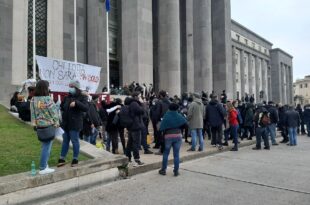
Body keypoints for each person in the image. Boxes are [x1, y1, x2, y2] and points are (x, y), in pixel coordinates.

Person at [30, 80, 60, 175]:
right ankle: (43, 167)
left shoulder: (33, 99)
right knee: (46, 147)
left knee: (44, 146)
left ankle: (45, 165)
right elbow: (54, 113)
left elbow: (33, 113)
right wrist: (57, 123)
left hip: (39, 126)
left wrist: (34, 124)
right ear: (45, 88)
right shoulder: (48, 99)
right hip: (48, 125)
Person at [58, 80, 89, 167]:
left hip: (75, 123)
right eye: (69, 86)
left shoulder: (82, 97)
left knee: (75, 141)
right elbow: (63, 107)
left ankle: (75, 158)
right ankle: (62, 158)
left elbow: (86, 108)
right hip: (66, 123)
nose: (70, 88)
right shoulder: (67, 97)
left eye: (71, 87)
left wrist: (76, 103)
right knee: (65, 141)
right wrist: (60, 105)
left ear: (76, 87)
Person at [158, 103, 187, 176]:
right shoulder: (179, 115)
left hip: (168, 136)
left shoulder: (166, 115)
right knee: (176, 155)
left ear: (169, 108)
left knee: (166, 153)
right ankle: (176, 171)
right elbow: (186, 124)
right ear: (177, 108)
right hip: (178, 136)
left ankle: (163, 170)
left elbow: (161, 128)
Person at [125, 92, 146, 166]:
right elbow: (142, 111)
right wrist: (143, 103)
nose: (141, 97)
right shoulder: (134, 103)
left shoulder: (132, 103)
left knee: (130, 143)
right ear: (136, 96)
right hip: (135, 126)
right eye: (140, 96)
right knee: (135, 144)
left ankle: (128, 157)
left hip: (132, 126)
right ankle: (136, 159)